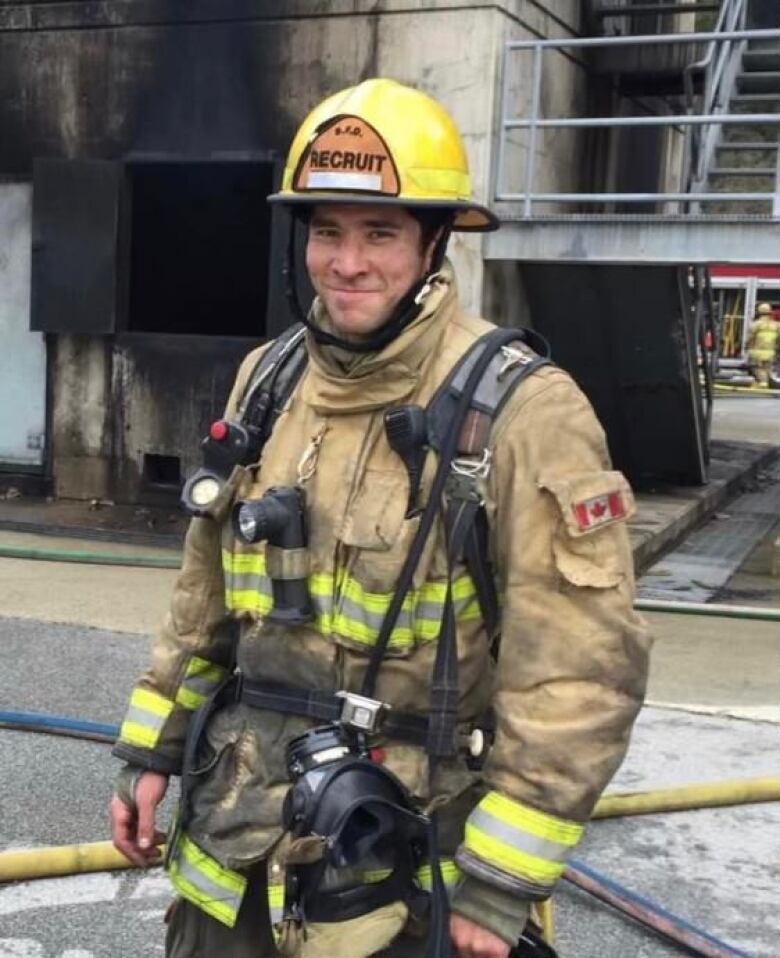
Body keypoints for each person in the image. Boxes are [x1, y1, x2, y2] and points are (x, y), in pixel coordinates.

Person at [110, 78, 650, 958]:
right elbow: (204, 596)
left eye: (380, 234)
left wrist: (499, 884)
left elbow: (579, 672)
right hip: (234, 839)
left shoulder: (521, 412)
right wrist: (151, 756)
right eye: (326, 231)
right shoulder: (269, 379)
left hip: (405, 862)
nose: (346, 263)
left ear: (436, 241)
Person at [746, 302, 779, 388]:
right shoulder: (776, 325)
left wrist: (747, 346)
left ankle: (762, 383)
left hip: (756, 352)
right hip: (770, 352)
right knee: (767, 368)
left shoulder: (756, 324)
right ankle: (763, 383)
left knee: (757, 368)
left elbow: (750, 337)